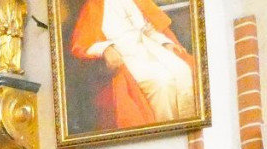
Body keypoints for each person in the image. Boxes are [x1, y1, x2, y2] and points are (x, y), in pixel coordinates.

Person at [69, 0, 196, 131]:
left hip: (149, 49)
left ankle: (188, 129)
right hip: (127, 59)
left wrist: (165, 42)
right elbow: (83, 44)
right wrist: (106, 48)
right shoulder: (94, 6)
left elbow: (149, 29)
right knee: (163, 84)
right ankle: (167, 133)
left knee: (183, 71)